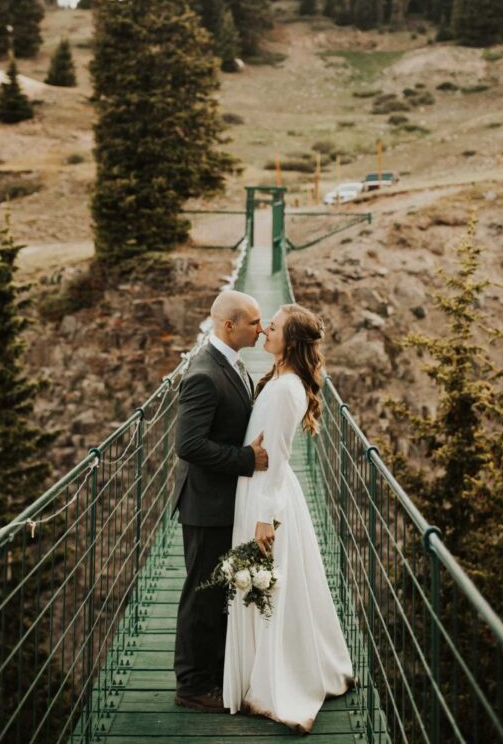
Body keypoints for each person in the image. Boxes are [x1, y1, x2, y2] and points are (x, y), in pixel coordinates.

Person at [223, 303, 355, 734]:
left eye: (273, 327)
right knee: (270, 587)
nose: (264, 330)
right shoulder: (281, 380)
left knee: (268, 589)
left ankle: (276, 683)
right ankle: (277, 668)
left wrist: (265, 518)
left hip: (266, 496)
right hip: (261, 490)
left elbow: (277, 458)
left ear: (290, 341)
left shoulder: (286, 389)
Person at [172, 289, 269, 713]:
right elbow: (188, 445)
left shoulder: (230, 363)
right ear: (229, 325)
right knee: (202, 595)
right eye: (253, 322)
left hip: (224, 501)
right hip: (207, 506)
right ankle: (193, 686)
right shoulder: (203, 374)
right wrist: (247, 460)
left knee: (218, 592)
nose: (261, 328)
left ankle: (216, 673)